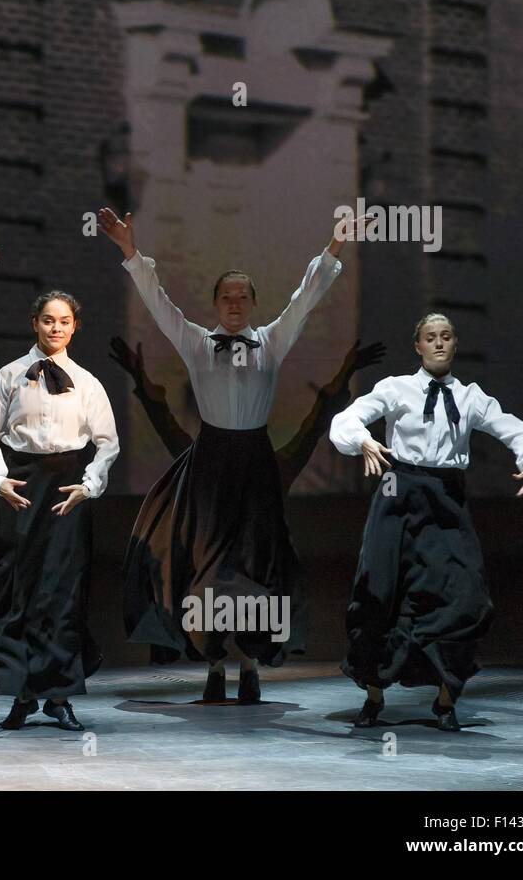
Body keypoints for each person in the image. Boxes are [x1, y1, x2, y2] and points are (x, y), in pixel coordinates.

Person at [102, 207, 361, 703]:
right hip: (212, 465)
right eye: (227, 296)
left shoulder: (271, 341)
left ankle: (250, 663)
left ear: (255, 304)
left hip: (255, 462)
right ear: (216, 304)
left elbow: (306, 299)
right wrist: (129, 251)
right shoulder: (198, 343)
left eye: (243, 296)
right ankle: (214, 662)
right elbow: (158, 305)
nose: (235, 303)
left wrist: (335, 245)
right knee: (209, 567)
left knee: (255, 565)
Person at [329, 312, 523, 731]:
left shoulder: (469, 397)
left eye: (446, 336)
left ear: (454, 343)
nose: (439, 343)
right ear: (418, 346)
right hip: (396, 496)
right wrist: (363, 440)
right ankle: (374, 696)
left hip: (446, 501)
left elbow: (509, 426)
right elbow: (348, 417)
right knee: (379, 592)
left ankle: (446, 700)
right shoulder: (396, 389)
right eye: (430, 337)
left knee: (465, 596)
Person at [0, 291, 119, 731]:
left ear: (75, 326)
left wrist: (89, 485)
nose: (56, 328)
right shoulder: (10, 375)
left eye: (64, 321)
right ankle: (20, 694)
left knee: (60, 594)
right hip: (21, 487)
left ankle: (59, 696)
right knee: (18, 592)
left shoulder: (88, 382)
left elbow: (107, 442)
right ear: (34, 322)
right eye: (48, 320)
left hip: (67, 490)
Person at [110, 335, 386, 492]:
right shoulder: (205, 467)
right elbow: (317, 420)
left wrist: (347, 370)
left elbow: (317, 420)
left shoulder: (266, 470)